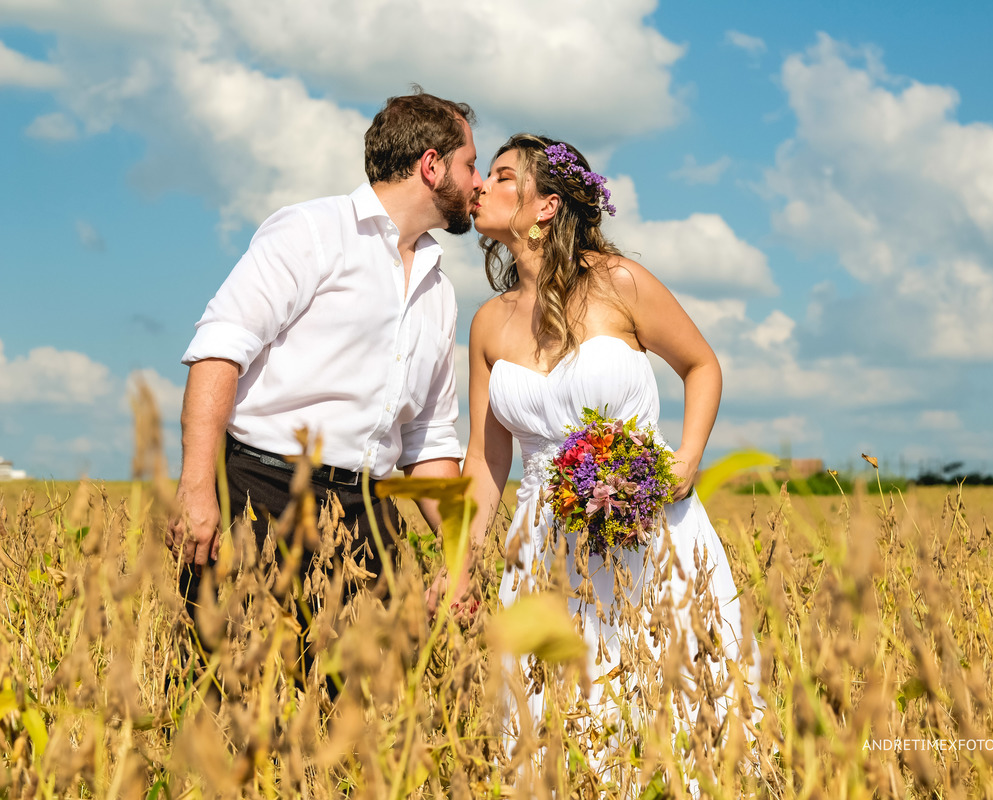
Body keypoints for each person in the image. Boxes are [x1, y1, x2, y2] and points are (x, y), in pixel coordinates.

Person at [460, 134, 761, 767]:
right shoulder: (488, 323)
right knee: (556, 725)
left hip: (648, 524)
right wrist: (461, 562)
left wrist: (684, 460)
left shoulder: (620, 282)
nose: (480, 185)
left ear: (545, 206)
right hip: (543, 544)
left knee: (676, 709)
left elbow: (702, 364)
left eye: (502, 174)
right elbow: (486, 465)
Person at [169, 90, 480, 675]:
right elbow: (219, 351)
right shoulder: (310, 230)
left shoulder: (440, 289)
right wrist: (195, 489)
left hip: (367, 516)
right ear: (431, 165)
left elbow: (430, 442)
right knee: (231, 694)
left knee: (352, 716)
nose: (479, 182)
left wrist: (458, 556)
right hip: (261, 494)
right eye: (470, 164)